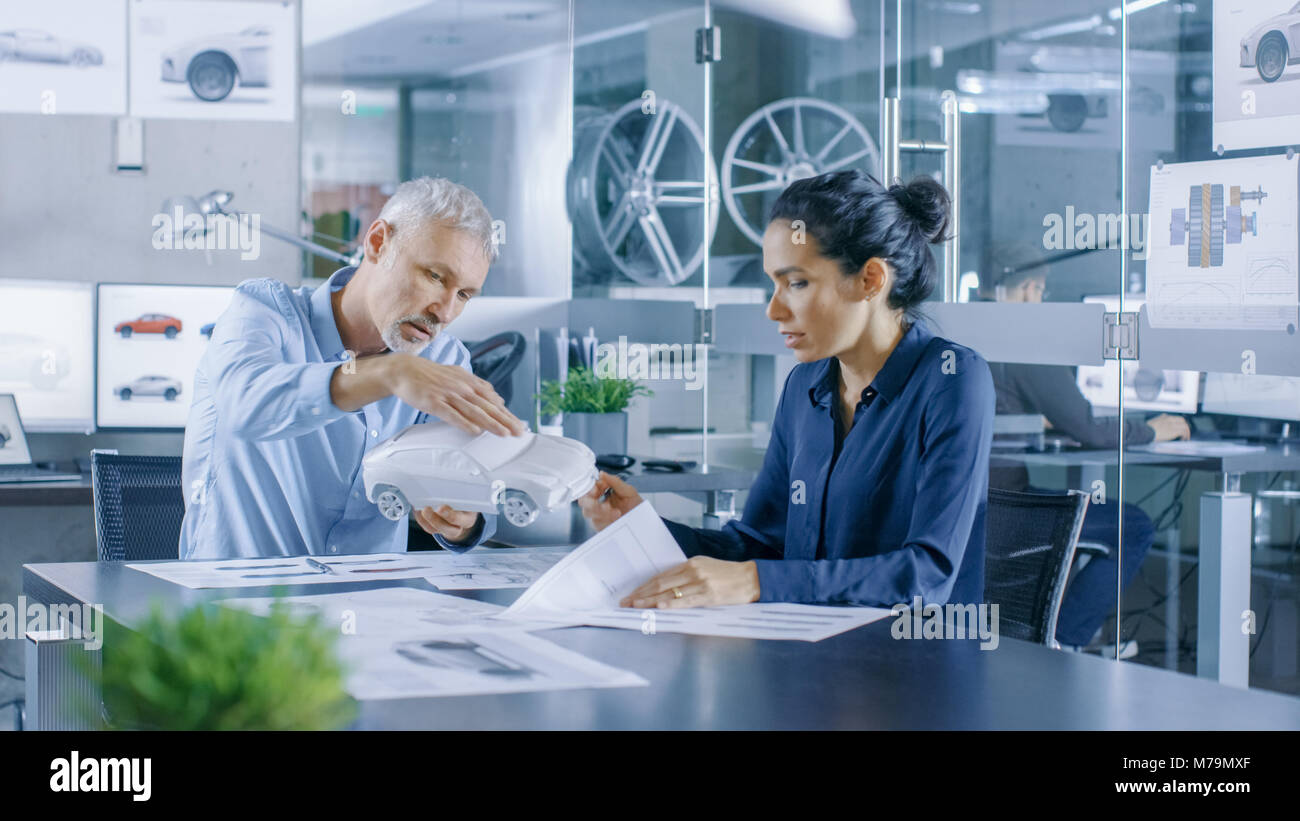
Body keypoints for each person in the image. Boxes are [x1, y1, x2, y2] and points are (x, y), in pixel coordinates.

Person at [579, 170, 995, 610]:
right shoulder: (806, 386)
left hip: (911, 663)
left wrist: (756, 582)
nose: (773, 309)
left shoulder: (952, 381)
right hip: (811, 653)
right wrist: (644, 528)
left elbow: (926, 576)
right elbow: (760, 546)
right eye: (773, 284)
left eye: (796, 283)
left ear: (871, 279)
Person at [180, 177, 528, 559]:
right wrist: (387, 374)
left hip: (374, 608)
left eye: (463, 294)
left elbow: (471, 490)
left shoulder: (443, 359)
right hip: (240, 610)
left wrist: (464, 520)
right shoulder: (261, 312)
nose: (445, 313)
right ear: (378, 243)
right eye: (434, 276)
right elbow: (246, 406)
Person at [980, 243, 1189, 654]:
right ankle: (1066, 639)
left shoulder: (966, 328)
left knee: (1084, 517)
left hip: (968, 507)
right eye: (1040, 293)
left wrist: (1025, 418)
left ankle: (1044, 630)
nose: (1040, 301)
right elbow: (1087, 427)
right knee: (1133, 527)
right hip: (1007, 510)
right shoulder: (1022, 341)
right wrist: (1152, 430)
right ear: (1027, 291)